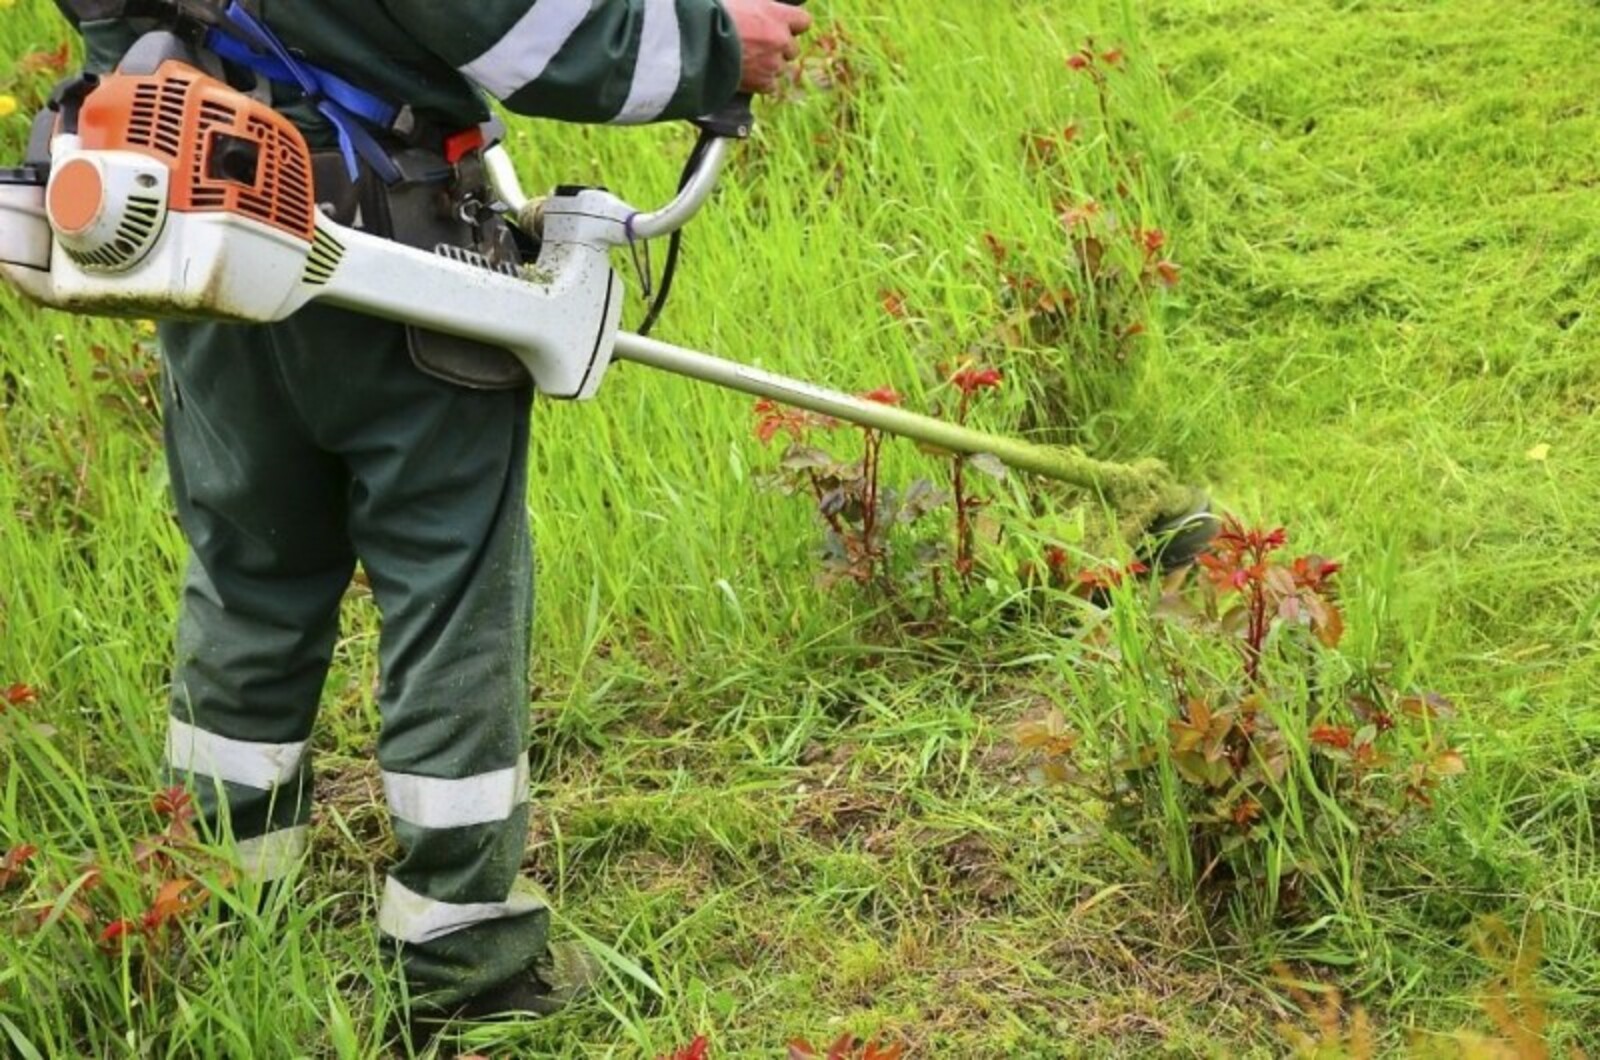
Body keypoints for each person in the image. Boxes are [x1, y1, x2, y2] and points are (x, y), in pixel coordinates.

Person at [51, 0, 812, 1032]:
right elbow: (539, 35)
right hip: (390, 255)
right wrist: (719, 41)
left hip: (202, 241)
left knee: (247, 585)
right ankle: (463, 967)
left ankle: (219, 906)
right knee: (451, 600)